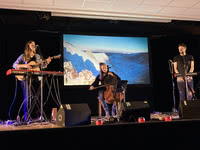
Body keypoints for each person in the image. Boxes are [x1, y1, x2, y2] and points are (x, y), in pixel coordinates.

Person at [12, 40, 51, 121]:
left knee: (38, 97)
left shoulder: (37, 56)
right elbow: (14, 65)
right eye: (32, 44)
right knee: (27, 97)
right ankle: (27, 116)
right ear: (28, 46)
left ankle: (38, 115)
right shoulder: (23, 56)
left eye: (34, 44)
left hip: (36, 79)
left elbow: (42, 66)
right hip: (26, 79)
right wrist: (26, 65)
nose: (34, 45)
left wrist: (46, 62)